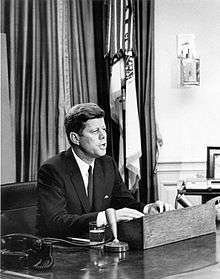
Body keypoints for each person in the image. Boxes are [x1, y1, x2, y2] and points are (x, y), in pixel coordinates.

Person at [36, 103, 172, 238]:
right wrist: (106, 217)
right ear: (75, 138)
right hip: (66, 250)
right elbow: (56, 222)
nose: (103, 136)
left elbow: (125, 203)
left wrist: (148, 209)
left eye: (104, 130)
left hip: (100, 245)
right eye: (95, 131)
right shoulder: (52, 170)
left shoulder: (107, 164)